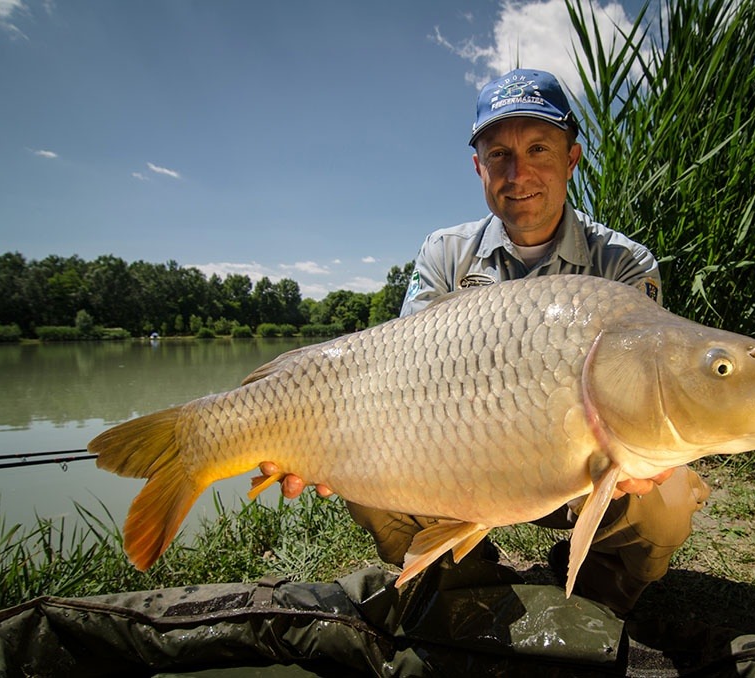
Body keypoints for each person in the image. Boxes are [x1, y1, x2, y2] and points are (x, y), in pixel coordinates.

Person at [259, 68, 710, 616]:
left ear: (572, 158)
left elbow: (647, 390)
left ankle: (595, 603)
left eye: (539, 148)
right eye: (499, 155)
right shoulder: (444, 254)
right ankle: (467, 589)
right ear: (479, 167)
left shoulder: (624, 264)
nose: (518, 174)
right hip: (466, 464)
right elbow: (395, 379)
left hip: (585, 469)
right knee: (363, 472)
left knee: (666, 501)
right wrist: (318, 442)